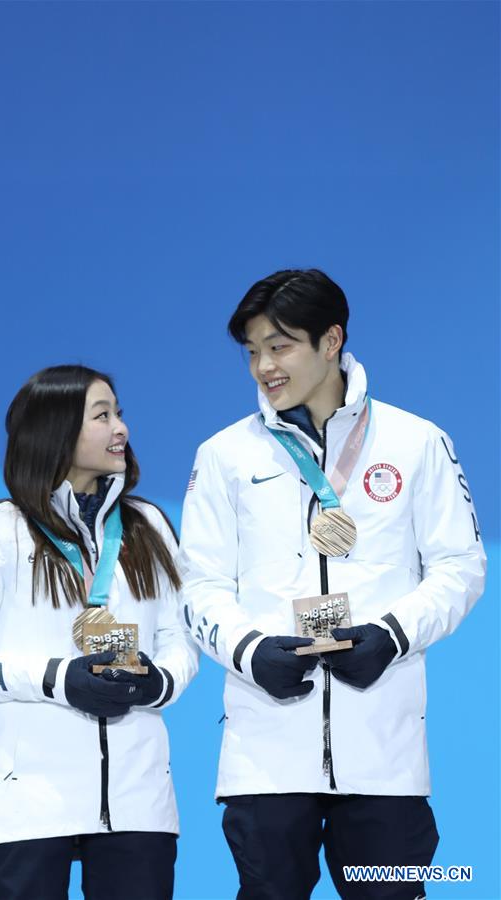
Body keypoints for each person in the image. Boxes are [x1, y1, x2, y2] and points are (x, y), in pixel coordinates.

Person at [179, 269, 486, 900]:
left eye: (280, 345)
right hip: (267, 750)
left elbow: (462, 566)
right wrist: (249, 652)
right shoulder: (224, 456)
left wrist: (391, 636)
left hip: (385, 754)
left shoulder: (417, 442)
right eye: (253, 351)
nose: (265, 365)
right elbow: (198, 586)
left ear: (331, 340)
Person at [0, 365, 198, 900]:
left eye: (119, 413)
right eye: (102, 416)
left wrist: (158, 682)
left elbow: (179, 637)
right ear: (54, 432)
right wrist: (58, 679)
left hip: (138, 802)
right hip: (28, 807)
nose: (121, 428)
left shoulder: (148, 526)